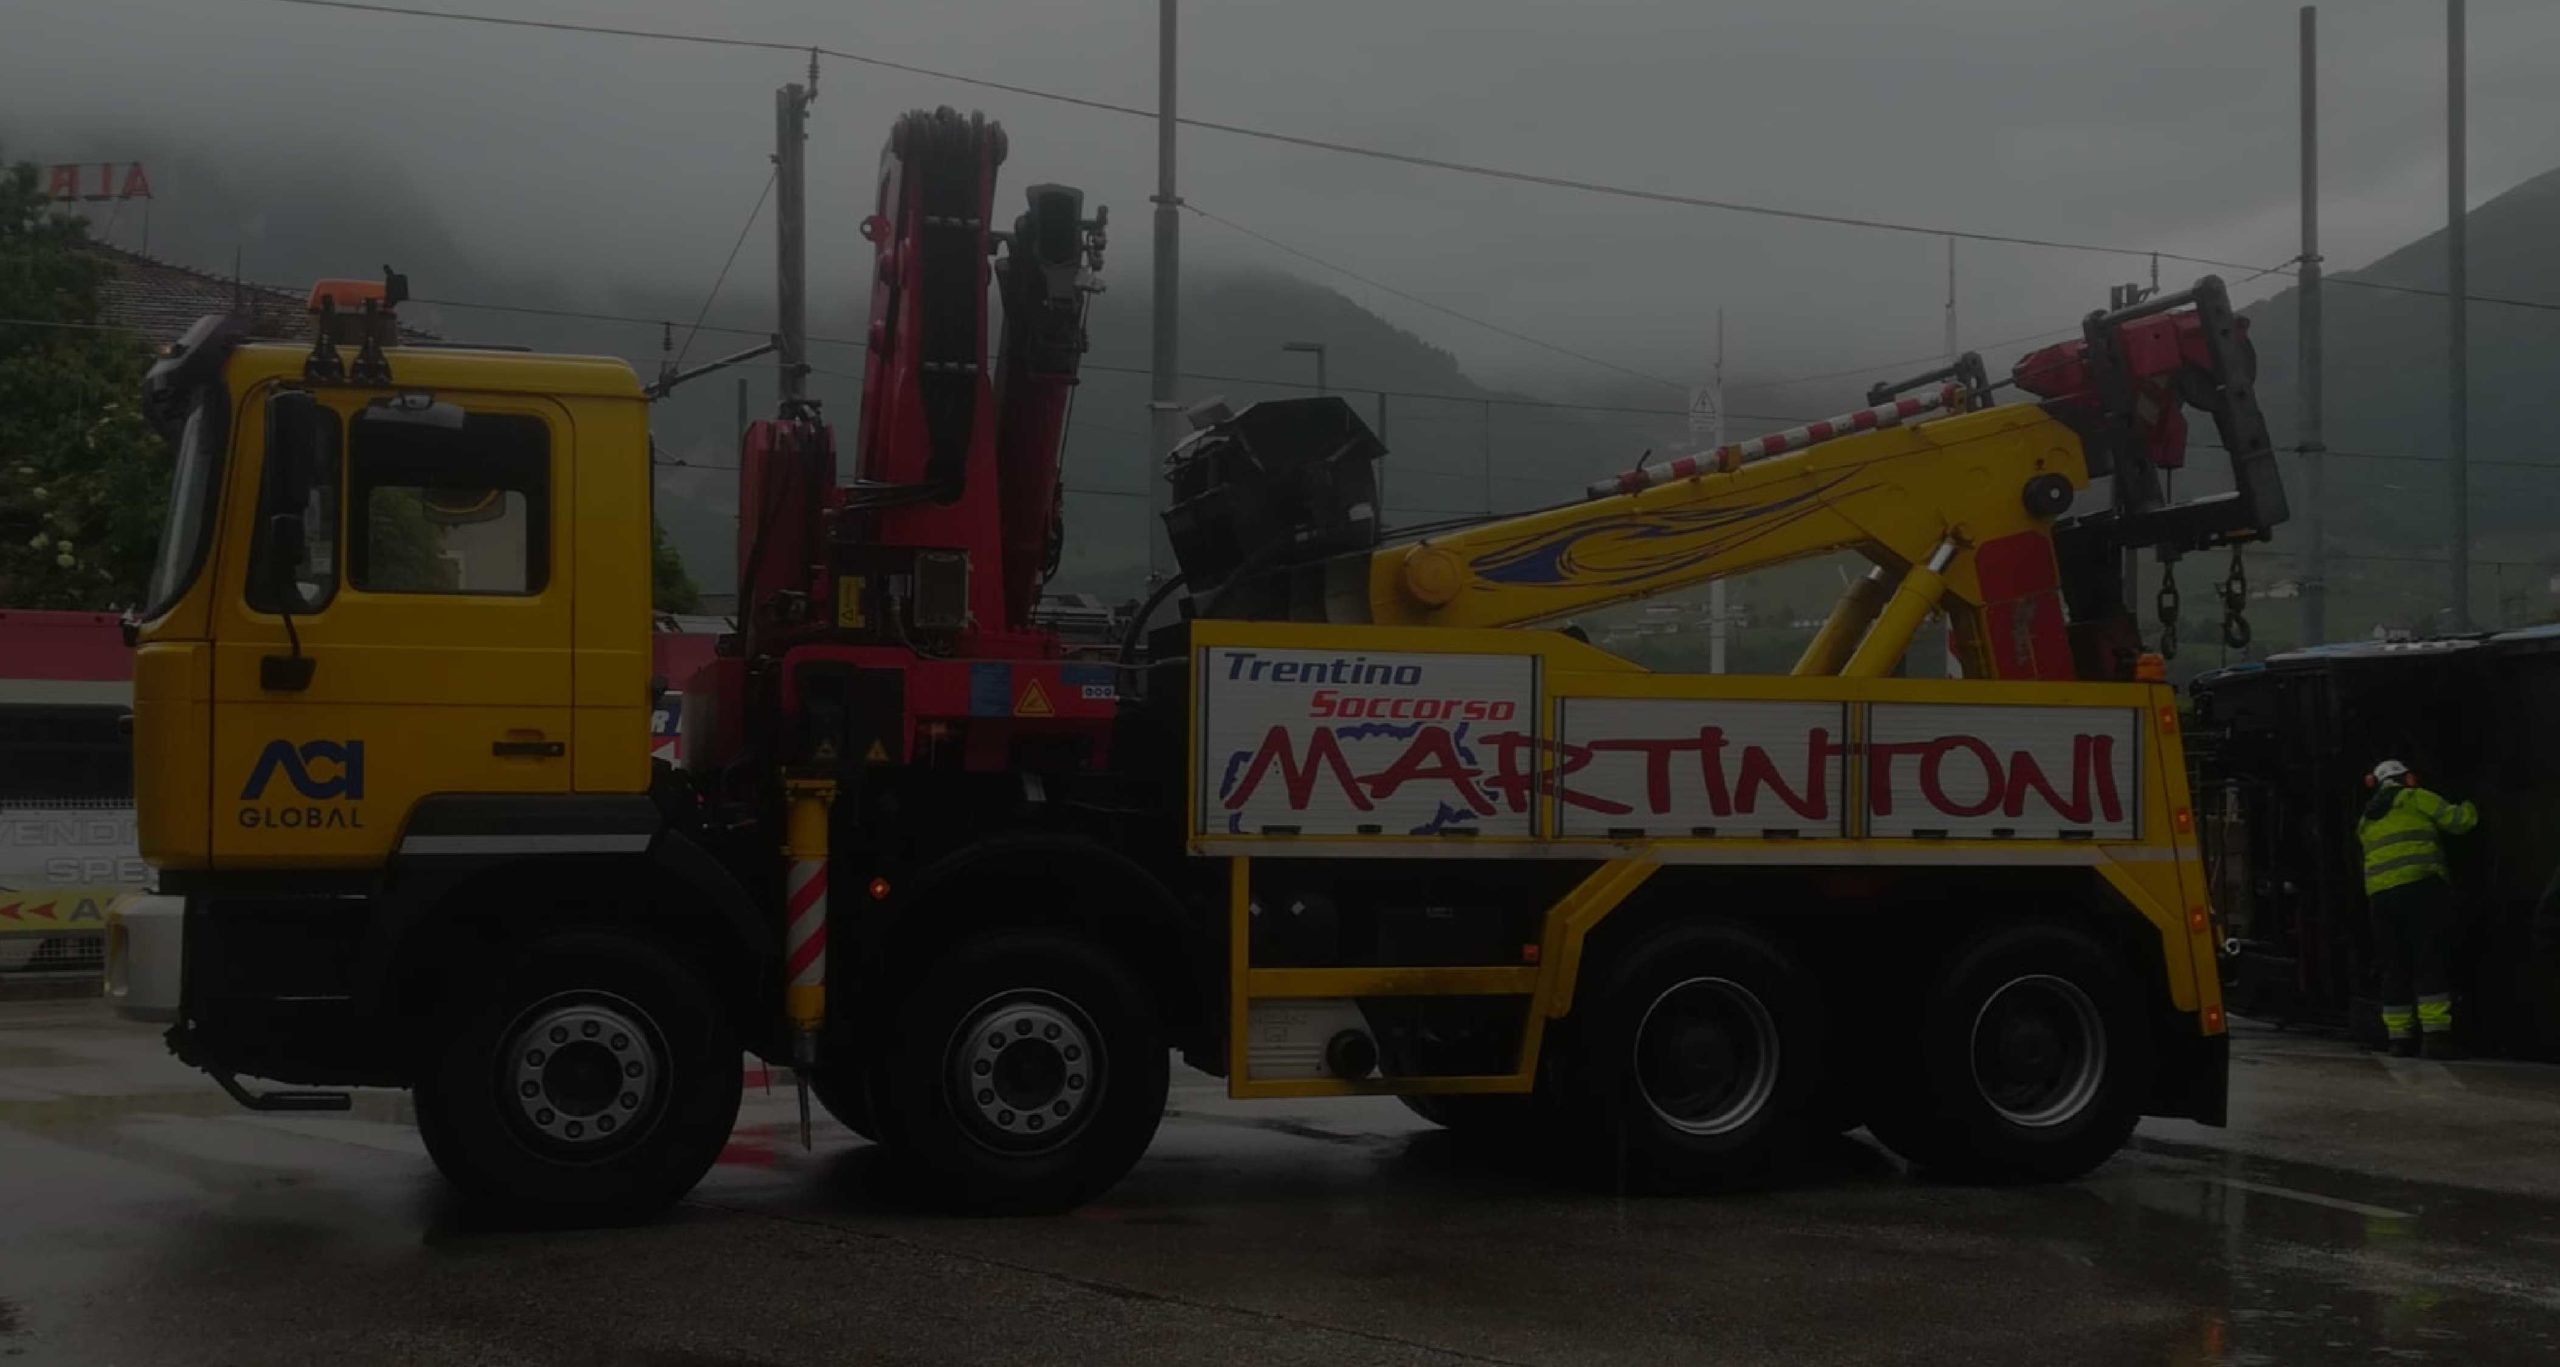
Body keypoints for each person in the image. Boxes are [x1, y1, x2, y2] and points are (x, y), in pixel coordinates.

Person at [2355, 759, 2478, 1059]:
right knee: (2428, 957)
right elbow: (2460, 822)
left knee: (2393, 966)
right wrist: (2472, 801)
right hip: (2420, 889)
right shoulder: (2415, 797)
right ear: (2405, 779)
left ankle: (2399, 1039)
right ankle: (2435, 1036)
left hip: (2380, 899)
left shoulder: (2366, 820)